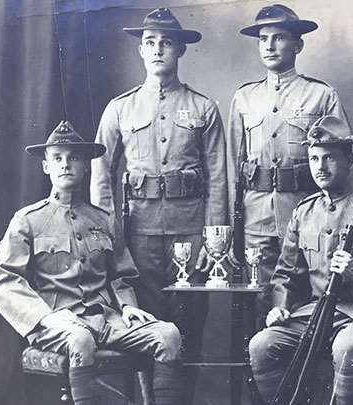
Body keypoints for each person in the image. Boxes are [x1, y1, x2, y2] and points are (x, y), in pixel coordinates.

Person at [90, 7, 228, 403]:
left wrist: (213, 238)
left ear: (180, 50)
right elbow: (101, 176)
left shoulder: (203, 108)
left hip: (191, 230)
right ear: (140, 51)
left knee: (189, 324)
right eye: (149, 43)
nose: (157, 49)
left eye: (166, 42)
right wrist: (109, 238)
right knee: (146, 323)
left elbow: (218, 176)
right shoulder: (121, 108)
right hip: (139, 234)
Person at [0, 120, 183, 405]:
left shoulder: (103, 219)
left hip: (107, 319)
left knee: (168, 335)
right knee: (81, 340)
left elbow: (120, 275)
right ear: (46, 167)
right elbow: (4, 278)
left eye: (74, 158)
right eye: (57, 158)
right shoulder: (28, 220)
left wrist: (128, 306)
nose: (65, 164)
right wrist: (44, 316)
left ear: (85, 166)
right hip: (58, 323)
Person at [248, 115, 353, 405]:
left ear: (349, 159)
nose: (320, 167)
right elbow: (285, 274)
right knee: (262, 344)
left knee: (347, 345)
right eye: (314, 158)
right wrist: (280, 308)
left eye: (329, 158)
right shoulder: (304, 212)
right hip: (318, 313)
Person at [226, 4, 353, 319]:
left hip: (307, 212)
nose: (270, 45)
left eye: (279, 37)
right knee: (258, 298)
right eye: (263, 39)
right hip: (255, 214)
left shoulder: (320, 95)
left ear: (298, 45)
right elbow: (232, 166)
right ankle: (257, 369)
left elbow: (346, 162)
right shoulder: (244, 98)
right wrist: (233, 226)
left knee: (306, 294)